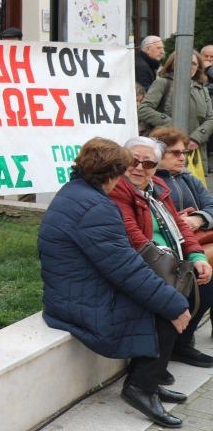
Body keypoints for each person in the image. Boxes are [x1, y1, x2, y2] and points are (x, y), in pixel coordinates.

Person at [39, 137, 192, 428]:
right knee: (169, 306)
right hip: (78, 300)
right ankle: (140, 387)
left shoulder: (76, 191)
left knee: (164, 297)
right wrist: (172, 303)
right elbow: (125, 269)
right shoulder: (97, 206)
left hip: (72, 289)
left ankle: (151, 379)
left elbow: (119, 264)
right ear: (112, 174)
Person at [150, 126, 213, 342]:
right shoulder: (150, 181)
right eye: (175, 153)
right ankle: (183, 339)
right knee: (205, 280)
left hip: (197, 243)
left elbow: (211, 205)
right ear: (158, 154)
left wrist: (198, 219)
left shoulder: (187, 178)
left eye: (184, 153)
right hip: (171, 250)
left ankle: (186, 338)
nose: (182, 158)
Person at [138, 50, 213, 162]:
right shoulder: (163, 83)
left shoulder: (202, 90)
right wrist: (173, 124)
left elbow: (210, 118)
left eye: (193, 63)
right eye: (184, 62)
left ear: (198, 68)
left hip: (195, 152)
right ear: (173, 64)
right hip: (167, 148)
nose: (188, 66)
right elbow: (144, 109)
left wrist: (196, 138)